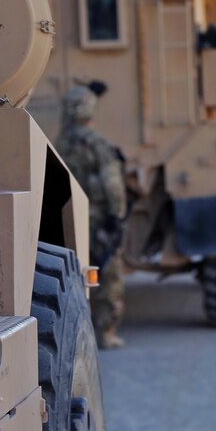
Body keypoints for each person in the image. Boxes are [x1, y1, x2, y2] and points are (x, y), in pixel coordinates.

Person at [56, 84, 128, 349]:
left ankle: (74, 335)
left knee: (72, 274)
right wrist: (116, 217)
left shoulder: (60, 144)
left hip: (69, 218)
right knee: (108, 275)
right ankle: (106, 333)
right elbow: (113, 185)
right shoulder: (97, 144)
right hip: (98, 220)